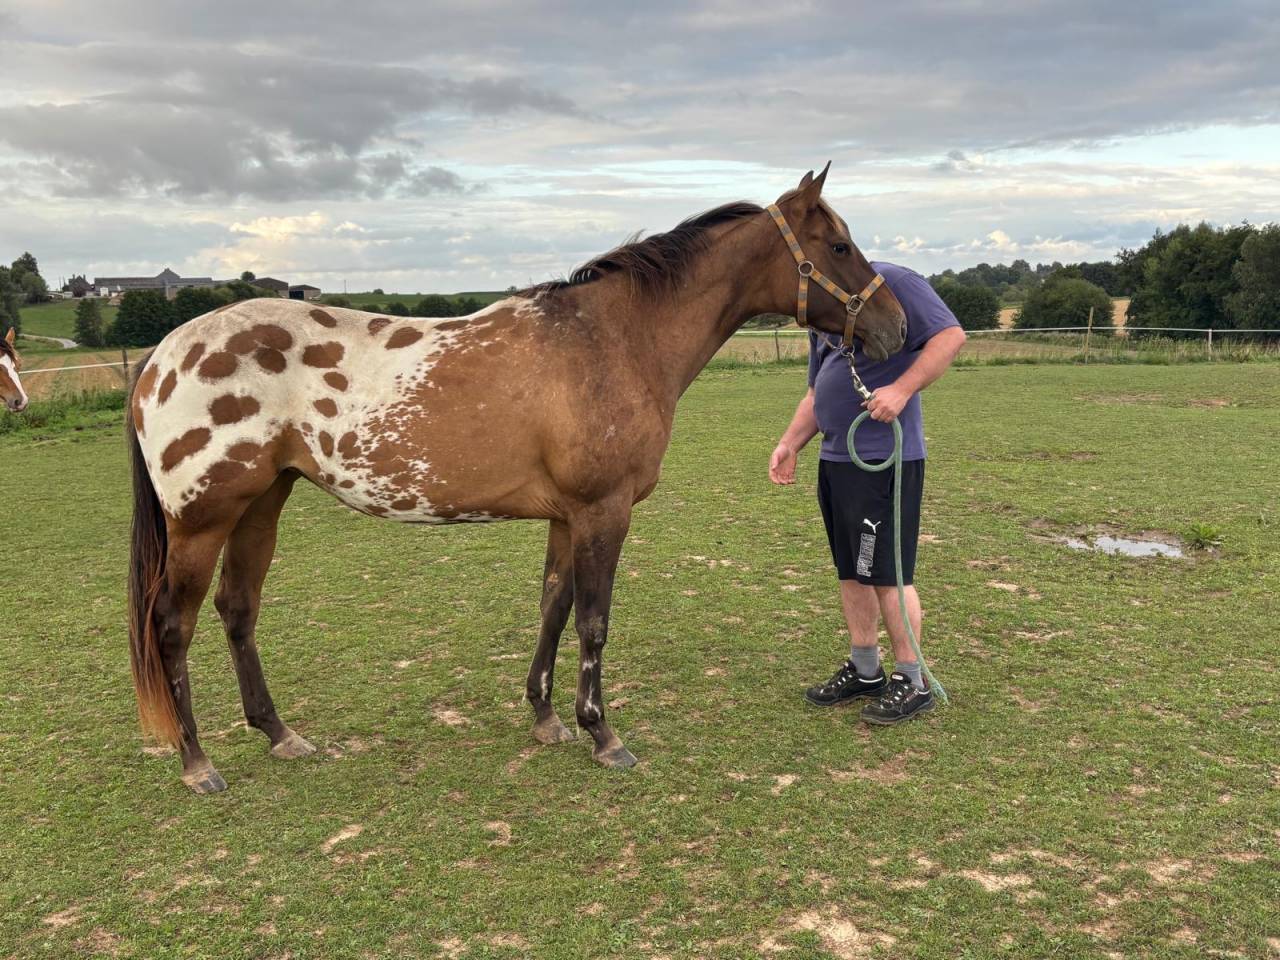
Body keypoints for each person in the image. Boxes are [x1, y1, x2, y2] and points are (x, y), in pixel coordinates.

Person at [769, 263, 965, 724]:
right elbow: (817, 392)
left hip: (884, 460)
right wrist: (790, 442)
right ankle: (865, 668)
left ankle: (912, 679)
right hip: (838, 461)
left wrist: (900, 389)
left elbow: (950, 337)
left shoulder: (894, 282)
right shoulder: (821, 311)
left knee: (886, 572)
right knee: (851, 570)